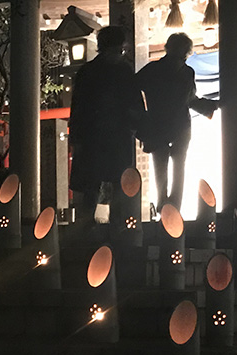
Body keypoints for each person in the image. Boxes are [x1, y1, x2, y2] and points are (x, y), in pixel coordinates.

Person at [136, 33, 218, 212]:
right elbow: (190, 99)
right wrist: (210, 107)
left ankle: (162, 205)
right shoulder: (187, 72)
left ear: (168, 47)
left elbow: (133, 88)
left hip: (157, 124)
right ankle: (174, 207)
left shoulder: (152, 69)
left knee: (161, 167)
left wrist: (142, 118)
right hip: (180, 125)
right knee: (179, 167)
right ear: (187, 52)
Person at [68, 26, 142, 225]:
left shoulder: (88, 71)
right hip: (113, 135)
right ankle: (114, 224)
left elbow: (78, 108)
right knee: (114, 181)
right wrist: (137, 127)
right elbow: (135, 104)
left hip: (96, 135)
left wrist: (76, 137)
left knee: (95, 183)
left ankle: (89, 225)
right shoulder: (124, 71)